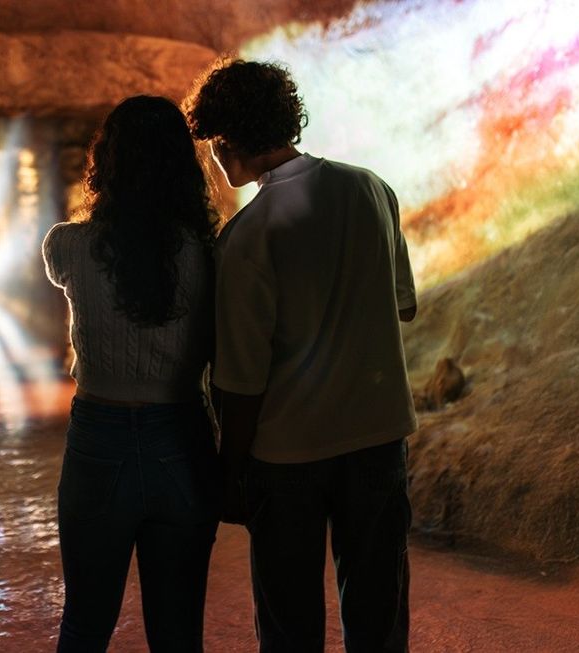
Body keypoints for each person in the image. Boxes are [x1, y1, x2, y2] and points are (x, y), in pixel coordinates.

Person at [185, 60, 418, 652]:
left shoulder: (244, 238)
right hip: (378, 437)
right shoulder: (372, 189)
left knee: (289, 623)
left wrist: (231, 468)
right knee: (379, 614)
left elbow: (240, 379)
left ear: (225, 142)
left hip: (287, 457)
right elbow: (402, 305)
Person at [42, 95, 220, 652]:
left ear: (107, 162)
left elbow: (78, 256)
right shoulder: (211, 255)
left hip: (99, 441)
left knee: (85, 624)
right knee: (177, 634)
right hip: (183, 440)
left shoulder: (67, 245)